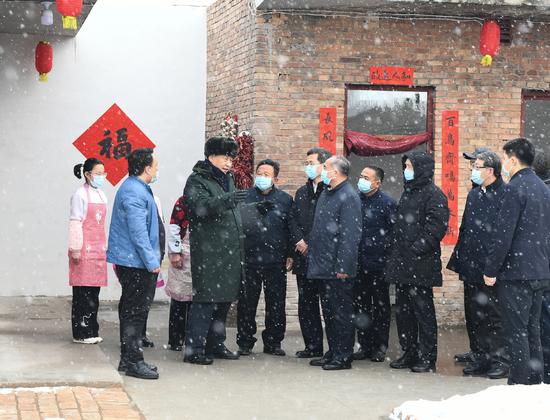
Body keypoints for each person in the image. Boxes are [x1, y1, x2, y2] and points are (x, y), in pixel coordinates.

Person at [483, 138, 550, 385]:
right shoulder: (544, 189)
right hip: (539, 273)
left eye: (506, 159)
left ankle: (519, 384)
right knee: (533, 330)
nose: (505, 165)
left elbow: (503, 235)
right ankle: (535, 380)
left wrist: (491, 269)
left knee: (516, 331)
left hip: (517, 274)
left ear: (513, 159)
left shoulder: (514, 189)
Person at [183, 136, 247, 365]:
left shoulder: (226, 179)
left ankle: (216, 344)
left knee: (223, 301)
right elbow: (199, 207)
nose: (229, 163)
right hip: (209, 254)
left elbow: (231, 209)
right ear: (210, 157)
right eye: (224, 157)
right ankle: (194, 349)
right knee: (206, 302)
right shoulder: (197, 180)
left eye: (231, 158)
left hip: (228, 252)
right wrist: (227, 199)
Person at [447, 151, 508, 379]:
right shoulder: (475, 194)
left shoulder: (505, 194)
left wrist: (493, 267)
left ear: (490, 171)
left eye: (477, 166)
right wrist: (460, 261)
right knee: (475, 315)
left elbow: (503, 237)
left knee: (494, 316)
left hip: (491, 270)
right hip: (471, 267)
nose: (473, 170)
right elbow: (466, 230)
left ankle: (500, 359)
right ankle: (481, 356)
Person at [387, 151, 449, 373]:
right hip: (403, 264)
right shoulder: (408, 192)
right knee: (404, 312)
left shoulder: (434, 195)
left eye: (411, 166)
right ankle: (409, 351)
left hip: (420, 265)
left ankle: (427, 356)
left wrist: (414, 250)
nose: (407, 169)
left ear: (422, 168)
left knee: (423, 312)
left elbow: (435, 229)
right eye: (406, 165)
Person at [107, 148, 161, 380]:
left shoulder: (137, 188)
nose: (157, 170)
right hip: (136, 263)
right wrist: (152, 262)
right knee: (134, 313)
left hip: (136, 262)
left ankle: (130, 358)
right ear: (146, 168)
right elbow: (138, 232)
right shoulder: (133, 191)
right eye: (155, 166)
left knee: (133, 311)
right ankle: (131, 361)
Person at [307, 156, 362, 370]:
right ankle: (333, 351)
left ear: (337, 172)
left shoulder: (348, 196)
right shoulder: (328, 193)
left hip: (337, 268)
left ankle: (343, 355)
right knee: (329, 313)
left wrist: (344, 266)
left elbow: (350, 235)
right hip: (323, 264)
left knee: (341, 313)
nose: (323, 170)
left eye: (326, 167)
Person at [237, 159, 294, 356]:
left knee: (276, 304)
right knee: (246, 304)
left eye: (266, 174)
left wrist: (289, 254)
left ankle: (273, 342)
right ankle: (245, 341)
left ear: (275, 178)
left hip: (275, 261)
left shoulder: (285, 200)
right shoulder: (244, 197)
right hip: (249, 259)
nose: (261, 177)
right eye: (259, 173)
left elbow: (290, 229)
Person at [353, 165, 396, 363]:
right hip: (358, 263)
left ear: (377, 183)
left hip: (379, 264)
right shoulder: (354, 200)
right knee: (361, 307)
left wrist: (385, 255)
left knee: (380, 308)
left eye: (367, 177)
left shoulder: (387, 203)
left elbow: (394, 233)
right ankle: (364, 345)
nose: (362, 180)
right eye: (361, 176)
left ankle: (380, 347)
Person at [292, 147, 332, 358]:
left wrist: (311, 242)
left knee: (328, 304)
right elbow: (293, 219)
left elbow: (329, 225)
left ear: (323, 165)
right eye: (306, 163)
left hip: (324, 258)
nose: (308, 166)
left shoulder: (331, 190)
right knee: (306, 304)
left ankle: (333, 348)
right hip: (303, 257)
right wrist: (299, 240)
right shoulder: (301, 192)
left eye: (311, 162)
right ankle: (312, 345)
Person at [69, 158, 108, 345]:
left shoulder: (101, 194)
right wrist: (76, 248)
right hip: (84, 249)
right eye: (98, 174)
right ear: (87, 174)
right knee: (82, 293)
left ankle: (92, 329)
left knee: (94, 293)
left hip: (98, 249)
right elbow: (76, 221)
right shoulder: (80, 194)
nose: (101, 177)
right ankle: (81, 332)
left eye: (103, 174)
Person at [164, 196, 192, 352]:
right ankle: (176, 340)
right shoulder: (183, 202)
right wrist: (175, 252)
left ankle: (191, 339)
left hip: (201, 257)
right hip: (182, 254)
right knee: (179, 300)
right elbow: (174, 226)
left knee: (196, 303)